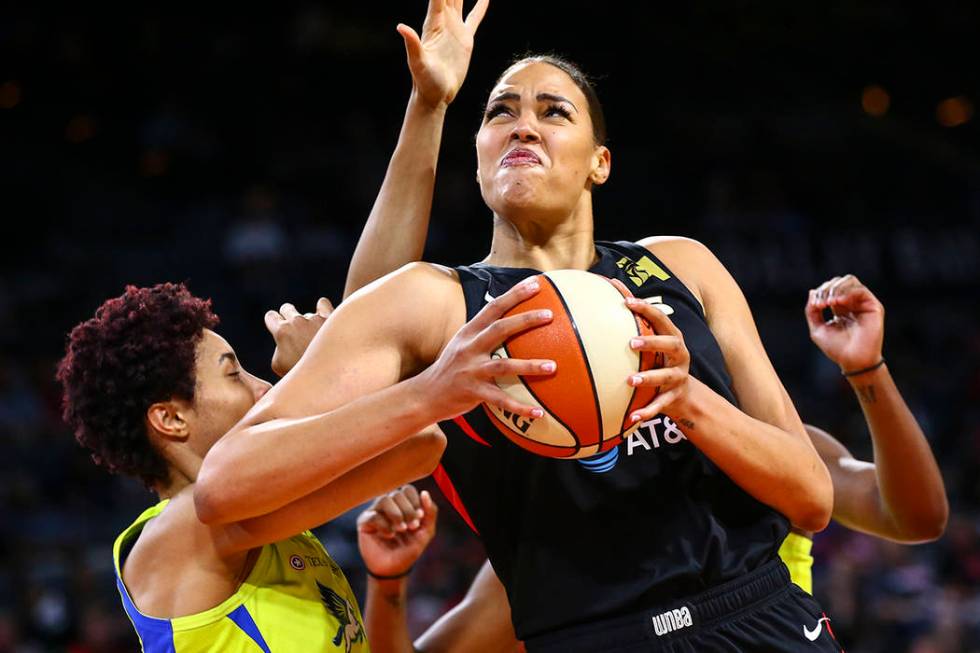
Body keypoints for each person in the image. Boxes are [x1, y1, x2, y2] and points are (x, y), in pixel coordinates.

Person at [212, 0, 842, 649]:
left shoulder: (682, 266)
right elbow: (356, 321)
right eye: (500, 113)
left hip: (761, 617)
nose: (522, 128)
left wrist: (689, 401)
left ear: (600, 161)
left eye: (553, 111)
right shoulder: (447, 308)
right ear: (479, 156)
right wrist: (429, 105)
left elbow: (811, 496)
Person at [354, 275, 948, 653]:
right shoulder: (565, 547)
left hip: (770, 627)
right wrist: (388, 581)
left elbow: (914, 515)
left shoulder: (766, 444)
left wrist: (867, 371)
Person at [56, 279, 549, 651]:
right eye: (233, 374)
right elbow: (418, 443)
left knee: (537, 564)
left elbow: (414, 442)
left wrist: (388, 582)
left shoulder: (271, 527)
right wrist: (316, 364)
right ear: (170, 418)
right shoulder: (187, 529)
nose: (261, 389)